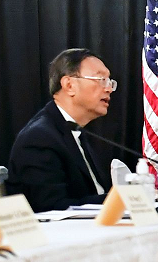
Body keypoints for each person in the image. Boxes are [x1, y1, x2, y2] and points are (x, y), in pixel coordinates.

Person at [6, 49, 114, 211]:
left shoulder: (76, 132)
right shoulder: (39, 138)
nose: (108, 89)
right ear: (69, 85)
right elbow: (50, 207)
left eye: (109, 81)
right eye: (100, 79)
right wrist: (116, 201)